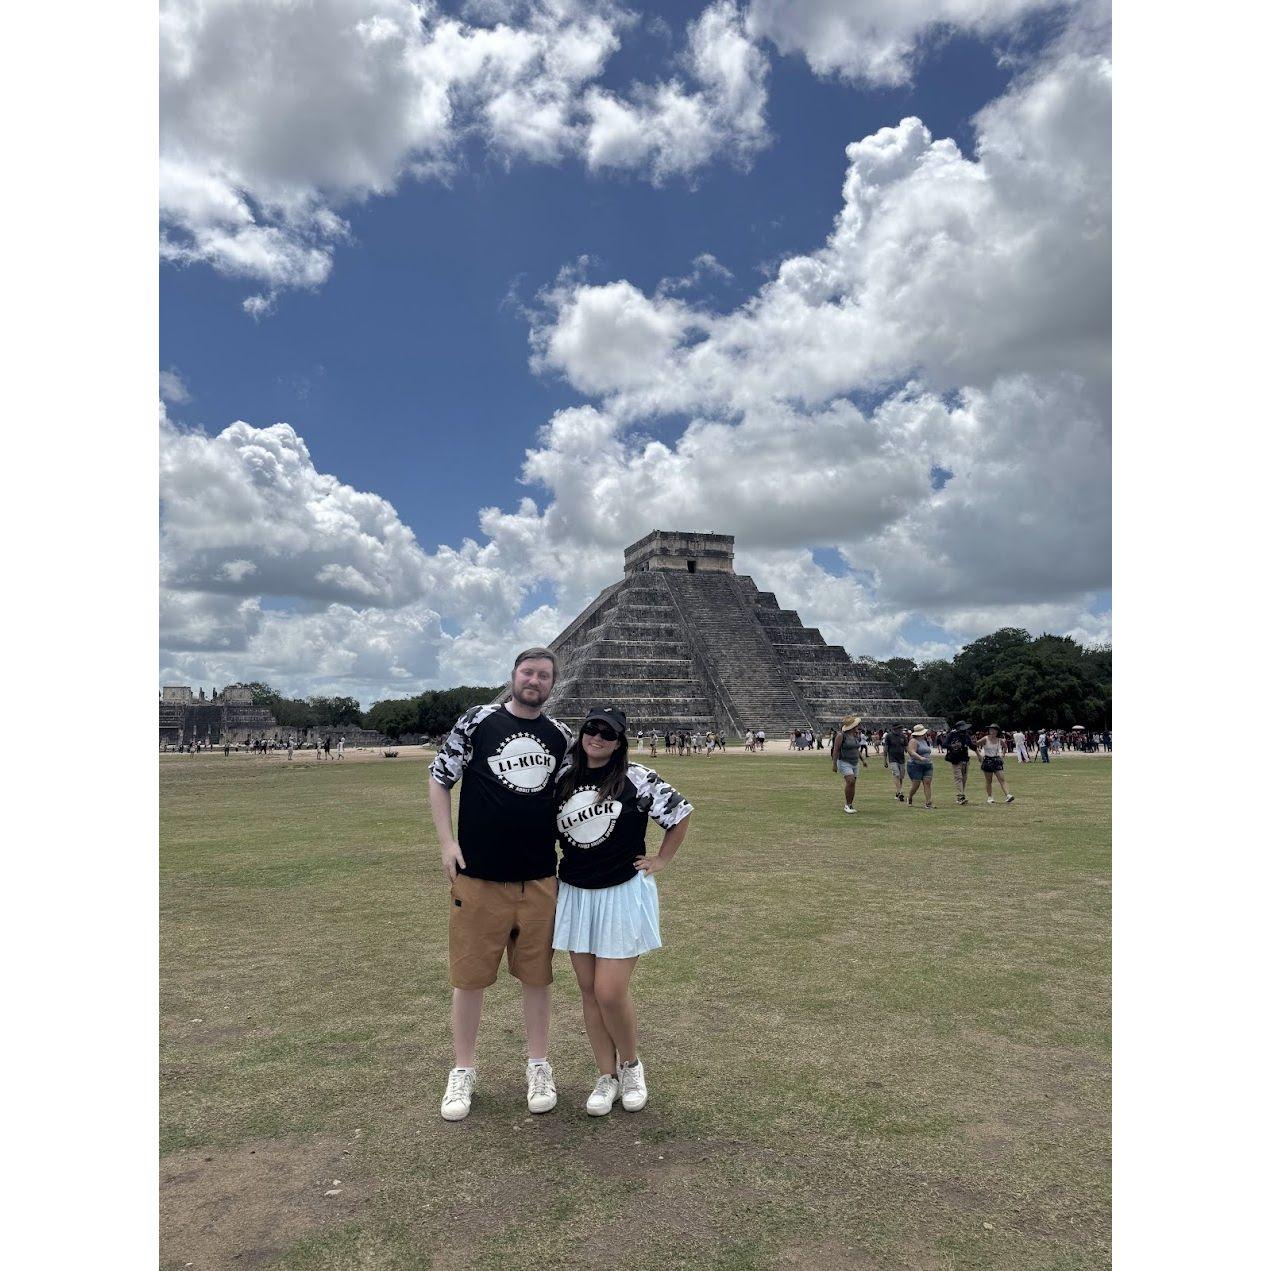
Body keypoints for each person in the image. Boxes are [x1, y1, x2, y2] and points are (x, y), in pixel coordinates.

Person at [428, 647, 574, 1122]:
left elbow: (580, 796)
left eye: (544, 675)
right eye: (528, 672)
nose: (535, 680)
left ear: (553, 684)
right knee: (469, 980)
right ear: (513, 675)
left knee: (537, 978)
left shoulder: (561, 736)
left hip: (539, 877)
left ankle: (538, 1064)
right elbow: (440, 778)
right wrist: (447, 842)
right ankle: (463, 1071)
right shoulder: (477, 721)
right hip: (479, 876)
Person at [553, 706, 692, 1115]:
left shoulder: (636, 778)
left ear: (619, 741)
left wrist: (662, 860)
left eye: (607, 734)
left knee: (609, 992)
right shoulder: (563, 778)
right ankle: (605, 1076)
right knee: (589, 993)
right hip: (576, 893)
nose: (597, 738)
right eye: (591, 730)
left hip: (621, 893)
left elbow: (680, 813)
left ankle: (631, 1067)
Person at [831, 714, 868, 814]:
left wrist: (863, 760)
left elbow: (857, 749)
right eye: (857, 725)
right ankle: (847, 805)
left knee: (852, 784)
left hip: (855, 762)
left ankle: (850, 804)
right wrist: (834, 763)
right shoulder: (841, 735)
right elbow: (836, 749)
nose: (858, 727)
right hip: (844, 761)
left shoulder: (855, 735)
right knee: (850, 781)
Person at [943, 720, 979, 805]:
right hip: (956, 759)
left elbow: (971, 746)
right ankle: (961, 796)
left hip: (965, 760)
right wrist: (953, 746)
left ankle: (960, 796)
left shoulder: (966, 735)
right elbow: (944, 744)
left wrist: (978, 753)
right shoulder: (952, 735)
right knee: (958, 778)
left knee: (964, 779)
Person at [980, 725, 1015, 804]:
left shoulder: (999, 740)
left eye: (993, 730)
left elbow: (1005, 747)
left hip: (996, 760)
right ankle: (990, 797)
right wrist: (979, 754)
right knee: (989, 780)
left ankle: (1008, 795)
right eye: (990, 729)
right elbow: (976, 744)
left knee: (1002, 779)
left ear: (997, 731)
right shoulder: (985, 738)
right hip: (988, 760)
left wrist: (1003, 754)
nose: (991, 731)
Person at [905, 725, 936, 808]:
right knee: (916, 784)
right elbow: (911, 752)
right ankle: (910, 797)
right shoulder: (913, 741)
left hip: (927, 765)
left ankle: (928, 803)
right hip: (915, 765)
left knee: (927, 783)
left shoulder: (924, 741)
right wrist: (920, 758)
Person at [882, 724, 908, 802]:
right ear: (894, 729)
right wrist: (885, 760)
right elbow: (886, 748)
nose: (900, 730)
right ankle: (900, 792)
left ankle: (898, 792)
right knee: (896, 774)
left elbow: (906, 746)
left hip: (901, 759)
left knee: (901, 776)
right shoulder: (889, 736)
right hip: (892, 759)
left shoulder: (903, 736)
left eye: (900, 728)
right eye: (898, 728)